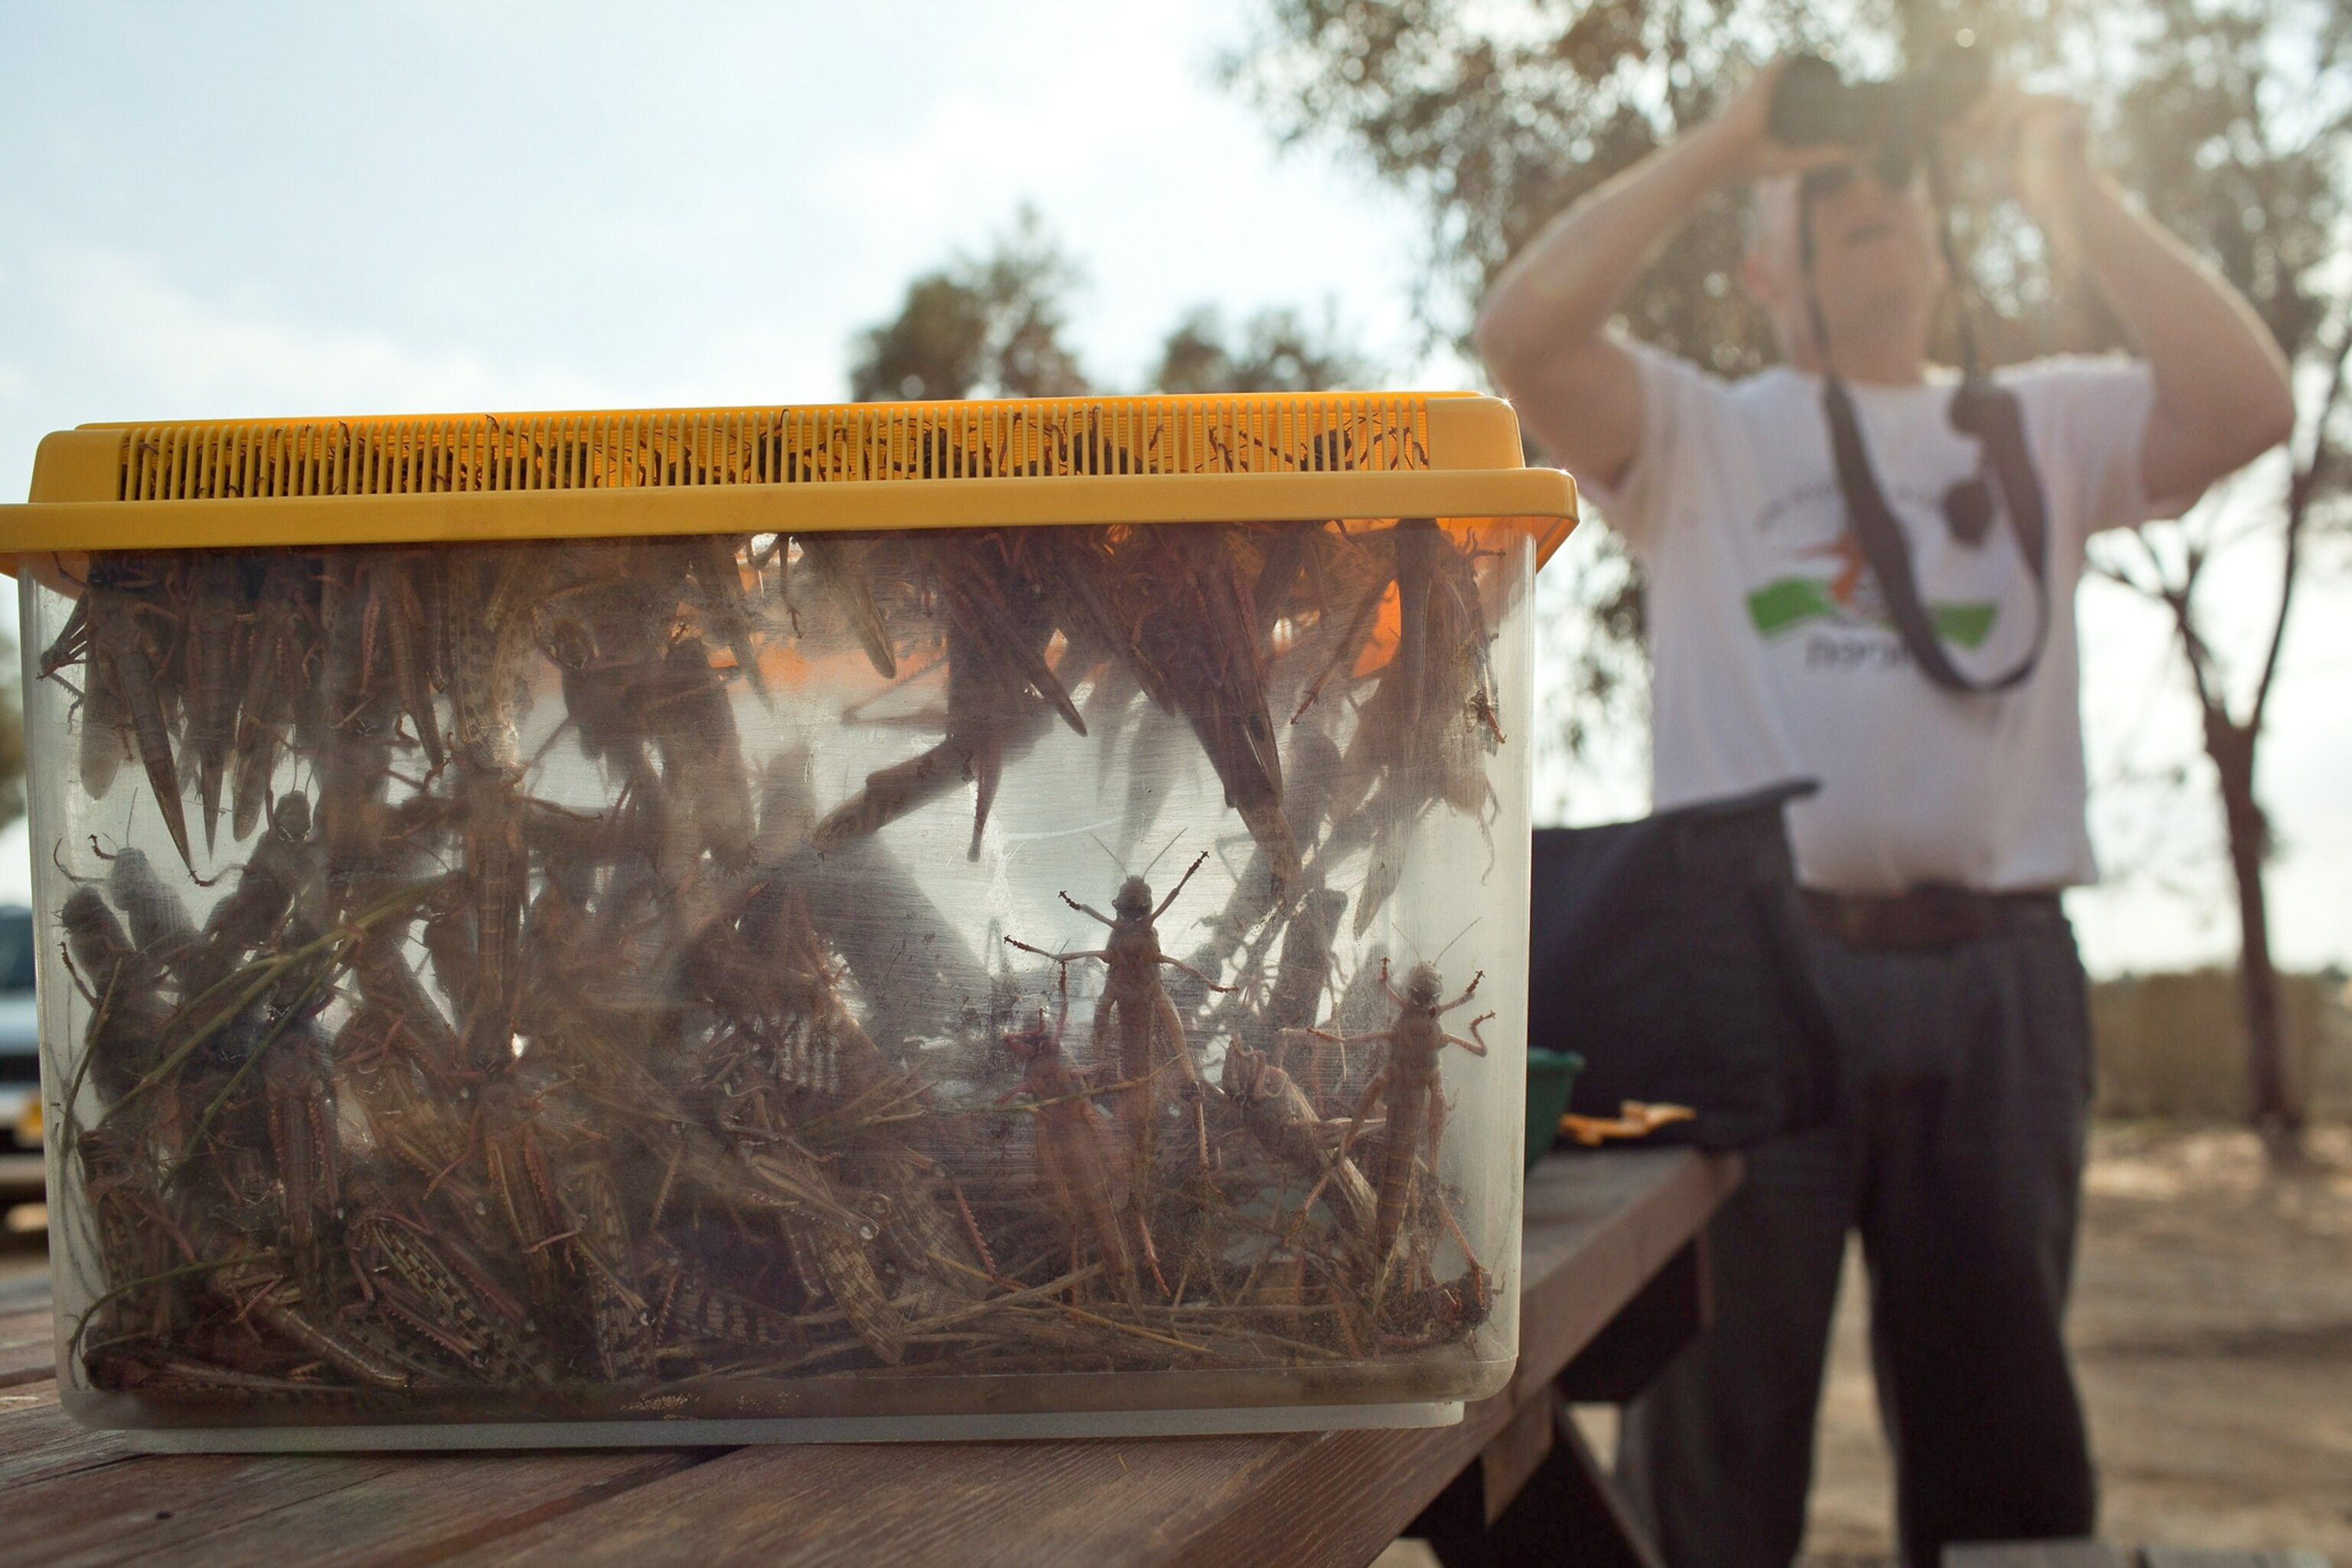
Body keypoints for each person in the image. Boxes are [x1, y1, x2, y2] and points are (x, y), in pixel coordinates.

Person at [1474, 60, 2294, 1568]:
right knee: (1710, 1447)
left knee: (2006, 1449)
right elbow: (1522, 337)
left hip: (2001, 977)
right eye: (1828, 197)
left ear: (1943, 241)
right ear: (1764, 272)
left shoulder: (2037, 424)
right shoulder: (1704, 433)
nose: (1871, 201)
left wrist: (2073, 187)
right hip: (1756, 983)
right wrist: (1727, 149)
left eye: (1894, 187)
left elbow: (2250, 405)